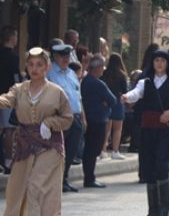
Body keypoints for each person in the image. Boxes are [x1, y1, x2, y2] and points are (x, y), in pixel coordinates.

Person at [0, 47, 74, 216]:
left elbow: (68, 119)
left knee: (35, 185)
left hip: (49, 145)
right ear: (26, 67)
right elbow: (7, 99)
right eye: (31, 64)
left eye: (39, 65)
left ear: (47, 67)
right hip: (25, 145)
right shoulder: (20, 89)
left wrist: (50, 123)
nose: (35, 68)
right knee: (17, 190)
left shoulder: (56, 92)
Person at [123, 50, 169, 216]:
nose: (159, 64)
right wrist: (127, 97)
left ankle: (164, 209)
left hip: (165, 132)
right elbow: (136, 93)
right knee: (149, 168)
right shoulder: (145, 82)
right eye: (156, 60)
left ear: (167, 63)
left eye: (162, 60)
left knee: (162, 166)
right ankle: (152, 210)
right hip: (147, 131)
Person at [47, 40, 85, 193]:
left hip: (75, 118)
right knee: (57, 152)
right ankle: (54, 182)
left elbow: (78, 97)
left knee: (70, 151)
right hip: (59, 118)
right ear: (55, 56)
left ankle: (64, 179)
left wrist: (83, 117)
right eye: (62, 55)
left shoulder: (71, 74)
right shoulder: (49, 73)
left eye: (68, 55)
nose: (65, 58)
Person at [80, 55, 116, 188]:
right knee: (93, 150)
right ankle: (89, 178)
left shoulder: (85, 81)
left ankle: (89, 177)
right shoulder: (98, 83)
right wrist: (104, 103)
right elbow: (112, 100)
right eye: (102, 68)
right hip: (98, 119)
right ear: (98, 68)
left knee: (89, 150)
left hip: (89, 118)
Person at [0, 26, 21, 174]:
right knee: (9, 129)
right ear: (11, 38)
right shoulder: (13, 57)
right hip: (8, 95)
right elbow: (15, 77)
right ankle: (8, 159)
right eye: (16, 36)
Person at [101, 53, 129, 160]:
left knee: (106, 128)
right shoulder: (122, 75)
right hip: (118, 101)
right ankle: (115, 151)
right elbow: (125, 91)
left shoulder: (104, 73)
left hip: (106, 102)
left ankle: (103, 151)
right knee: (117, 129)